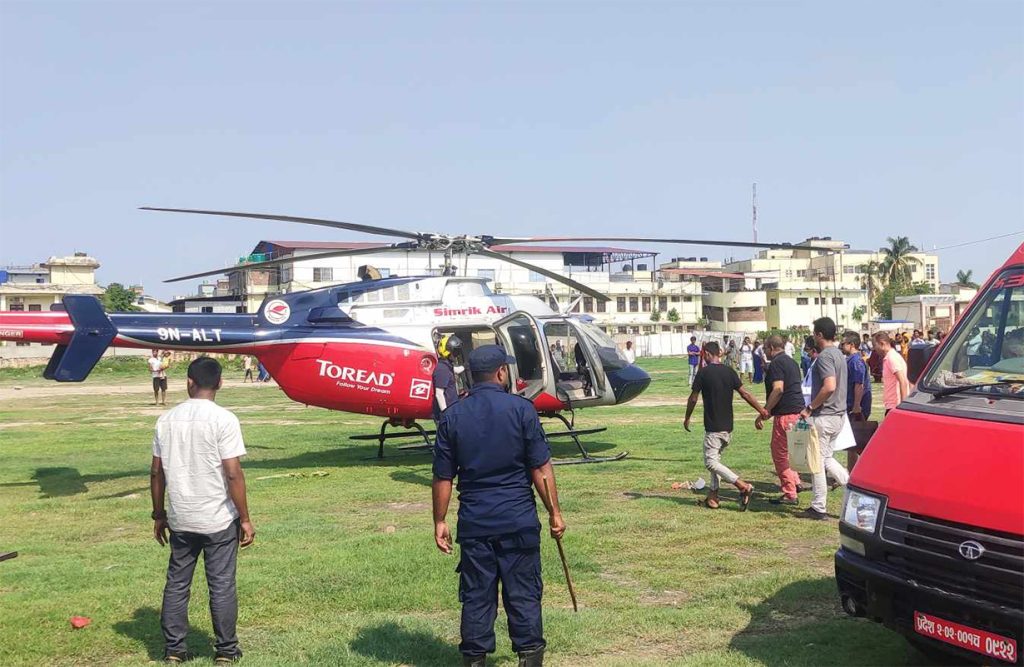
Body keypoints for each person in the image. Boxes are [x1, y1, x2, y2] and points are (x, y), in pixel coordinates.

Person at [432, 345, 563, 667]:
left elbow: (442, 476)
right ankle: (529, 657)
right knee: (524, 594)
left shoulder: (452, 417)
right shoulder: (522, 410)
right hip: (518, 519)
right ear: (502, 372)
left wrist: (439, 521)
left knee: (477, 596)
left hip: (475, 523)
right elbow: (541, 470)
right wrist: (554, 513)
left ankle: (474, 660)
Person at [150, 357, 254, 664]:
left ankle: (174, 650)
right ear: (220, 383)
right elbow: (233, 473)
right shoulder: (224, 419)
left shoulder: (166, 419)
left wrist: (159, 515)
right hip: (218, 518)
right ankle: (225, 651)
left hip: (181, 516)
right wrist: (245, 518)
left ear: (188, 383)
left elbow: (157, 473)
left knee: (177, 583)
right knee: (221, 585)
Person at [683, 342, 768, 510]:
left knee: (711, 463)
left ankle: (743, 486)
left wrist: (687, 418)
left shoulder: (703, 373)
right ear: (719, 353)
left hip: (713, 427)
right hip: (728, 426)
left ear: (707, 354)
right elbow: (745, 394)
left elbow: (693, 398)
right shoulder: (730, 372)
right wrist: (761, 410)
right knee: (716, 460)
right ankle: (713, 497)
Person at [798, 317, 849, 521]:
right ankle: (852, 485)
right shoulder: (839, 354)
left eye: (814, 333)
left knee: (816, 462)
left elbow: (829, 386)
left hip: (825, 415)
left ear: (819, 334)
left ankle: (819, 507)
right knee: (827, 458)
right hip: (838, 415)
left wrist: (810, 407)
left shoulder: (826, 356)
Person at [756, 336, 804, 505]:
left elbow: (778, 389)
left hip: (785, 415)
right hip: (798, 412)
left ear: (771, 347)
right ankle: (796, 482)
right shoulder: (792, 362)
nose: (764, 352)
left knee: (780, 453)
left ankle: (790, 492)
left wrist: (766, 410)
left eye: (765, 349)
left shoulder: (776, 364)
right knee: (792, 452)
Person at [873, 331, 910, 415]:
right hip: (892, 405)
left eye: (875, 346)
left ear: (882, 343)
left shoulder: (892, 358)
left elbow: (903, 381)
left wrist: (903, 406)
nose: (874, 349)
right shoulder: (889, 357)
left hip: (895, 406)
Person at [433, 335, 463, 422]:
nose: (457, 356)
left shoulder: (447, 366)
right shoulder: (442, 369)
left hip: (451, 411)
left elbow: (456, 370)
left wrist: (466, 366)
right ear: (448, 353)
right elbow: (439, 394)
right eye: (456, 353)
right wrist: (446, 415)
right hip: (446, 415)